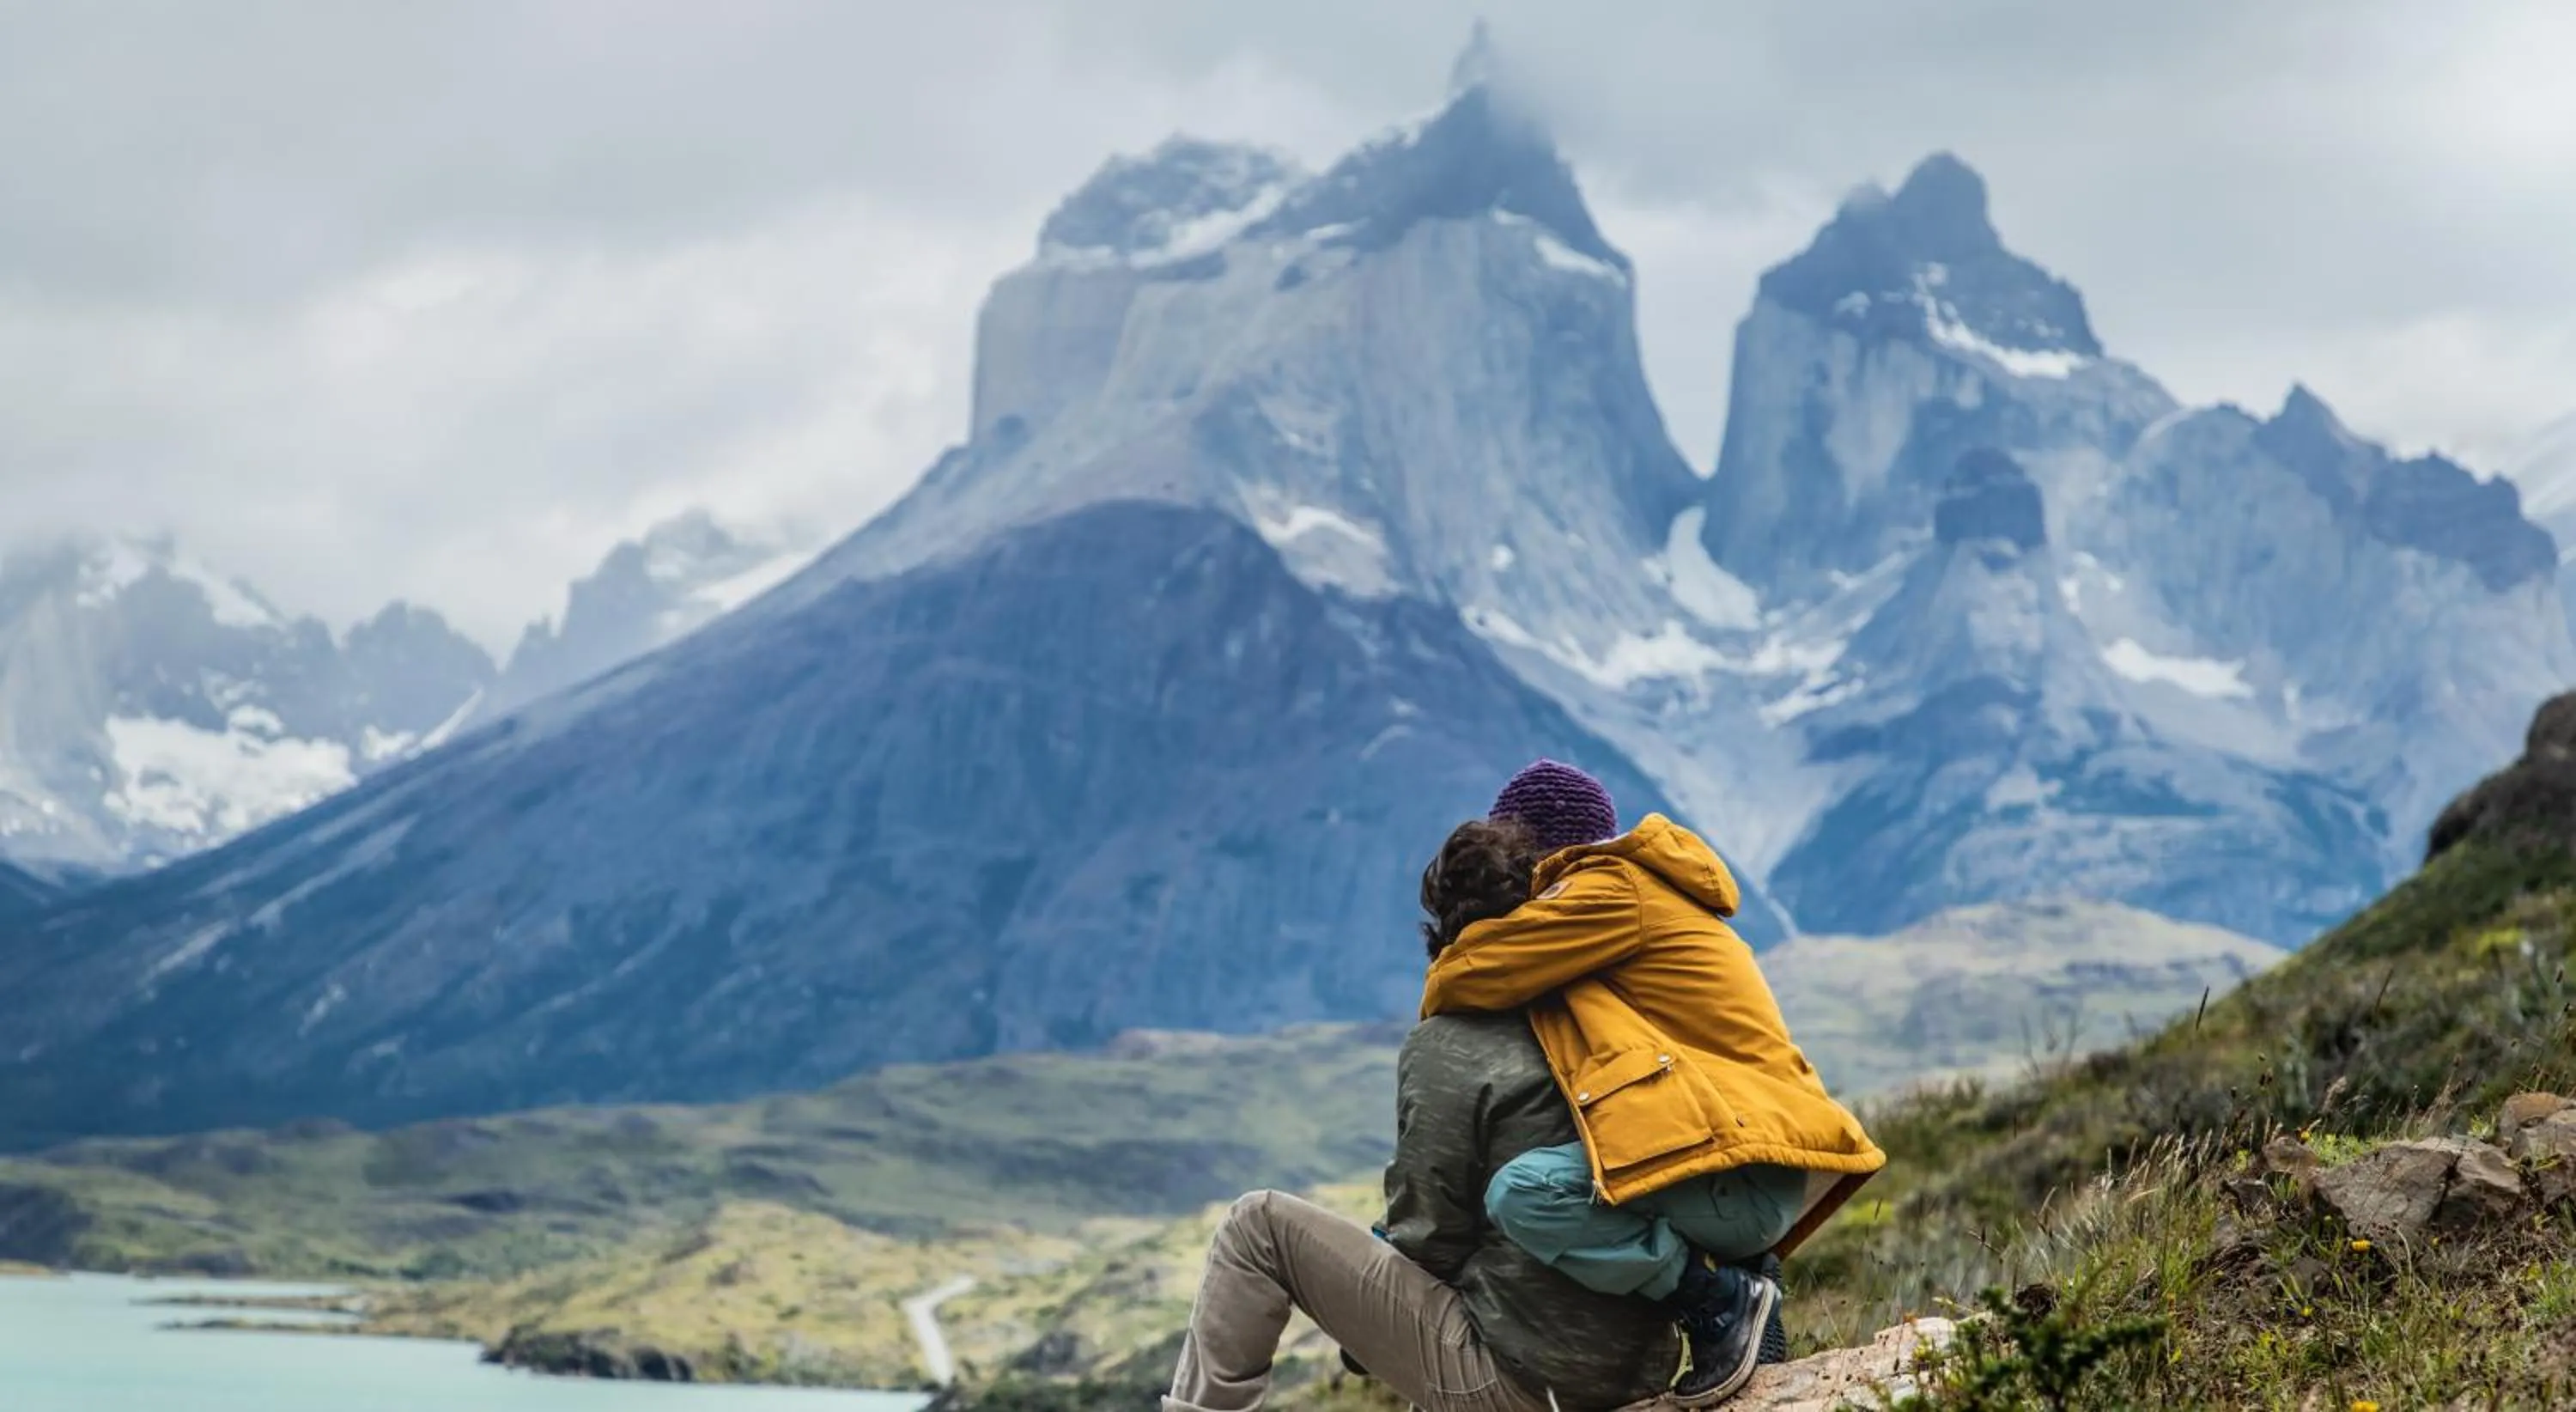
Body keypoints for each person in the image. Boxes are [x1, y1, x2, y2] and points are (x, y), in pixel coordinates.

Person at [1419, 761, 1886, 1405]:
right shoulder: (1637, 895)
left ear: (1536, 850)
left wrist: (1445, 966)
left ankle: (1720, 1299)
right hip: (1746, 1163)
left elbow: (1470, 973)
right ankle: (1739, 1278)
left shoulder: (1608, 892)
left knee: (1525, 1194)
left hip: (1740, 1176)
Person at [1162, 849, 1690, 1412]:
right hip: (1642, 1366)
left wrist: (1361, 1325)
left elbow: (1428, 1236)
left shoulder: (1452, 1041)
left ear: (1444, 928)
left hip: (1529, 1381)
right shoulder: (1609, 1019)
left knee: (1256, 1225)